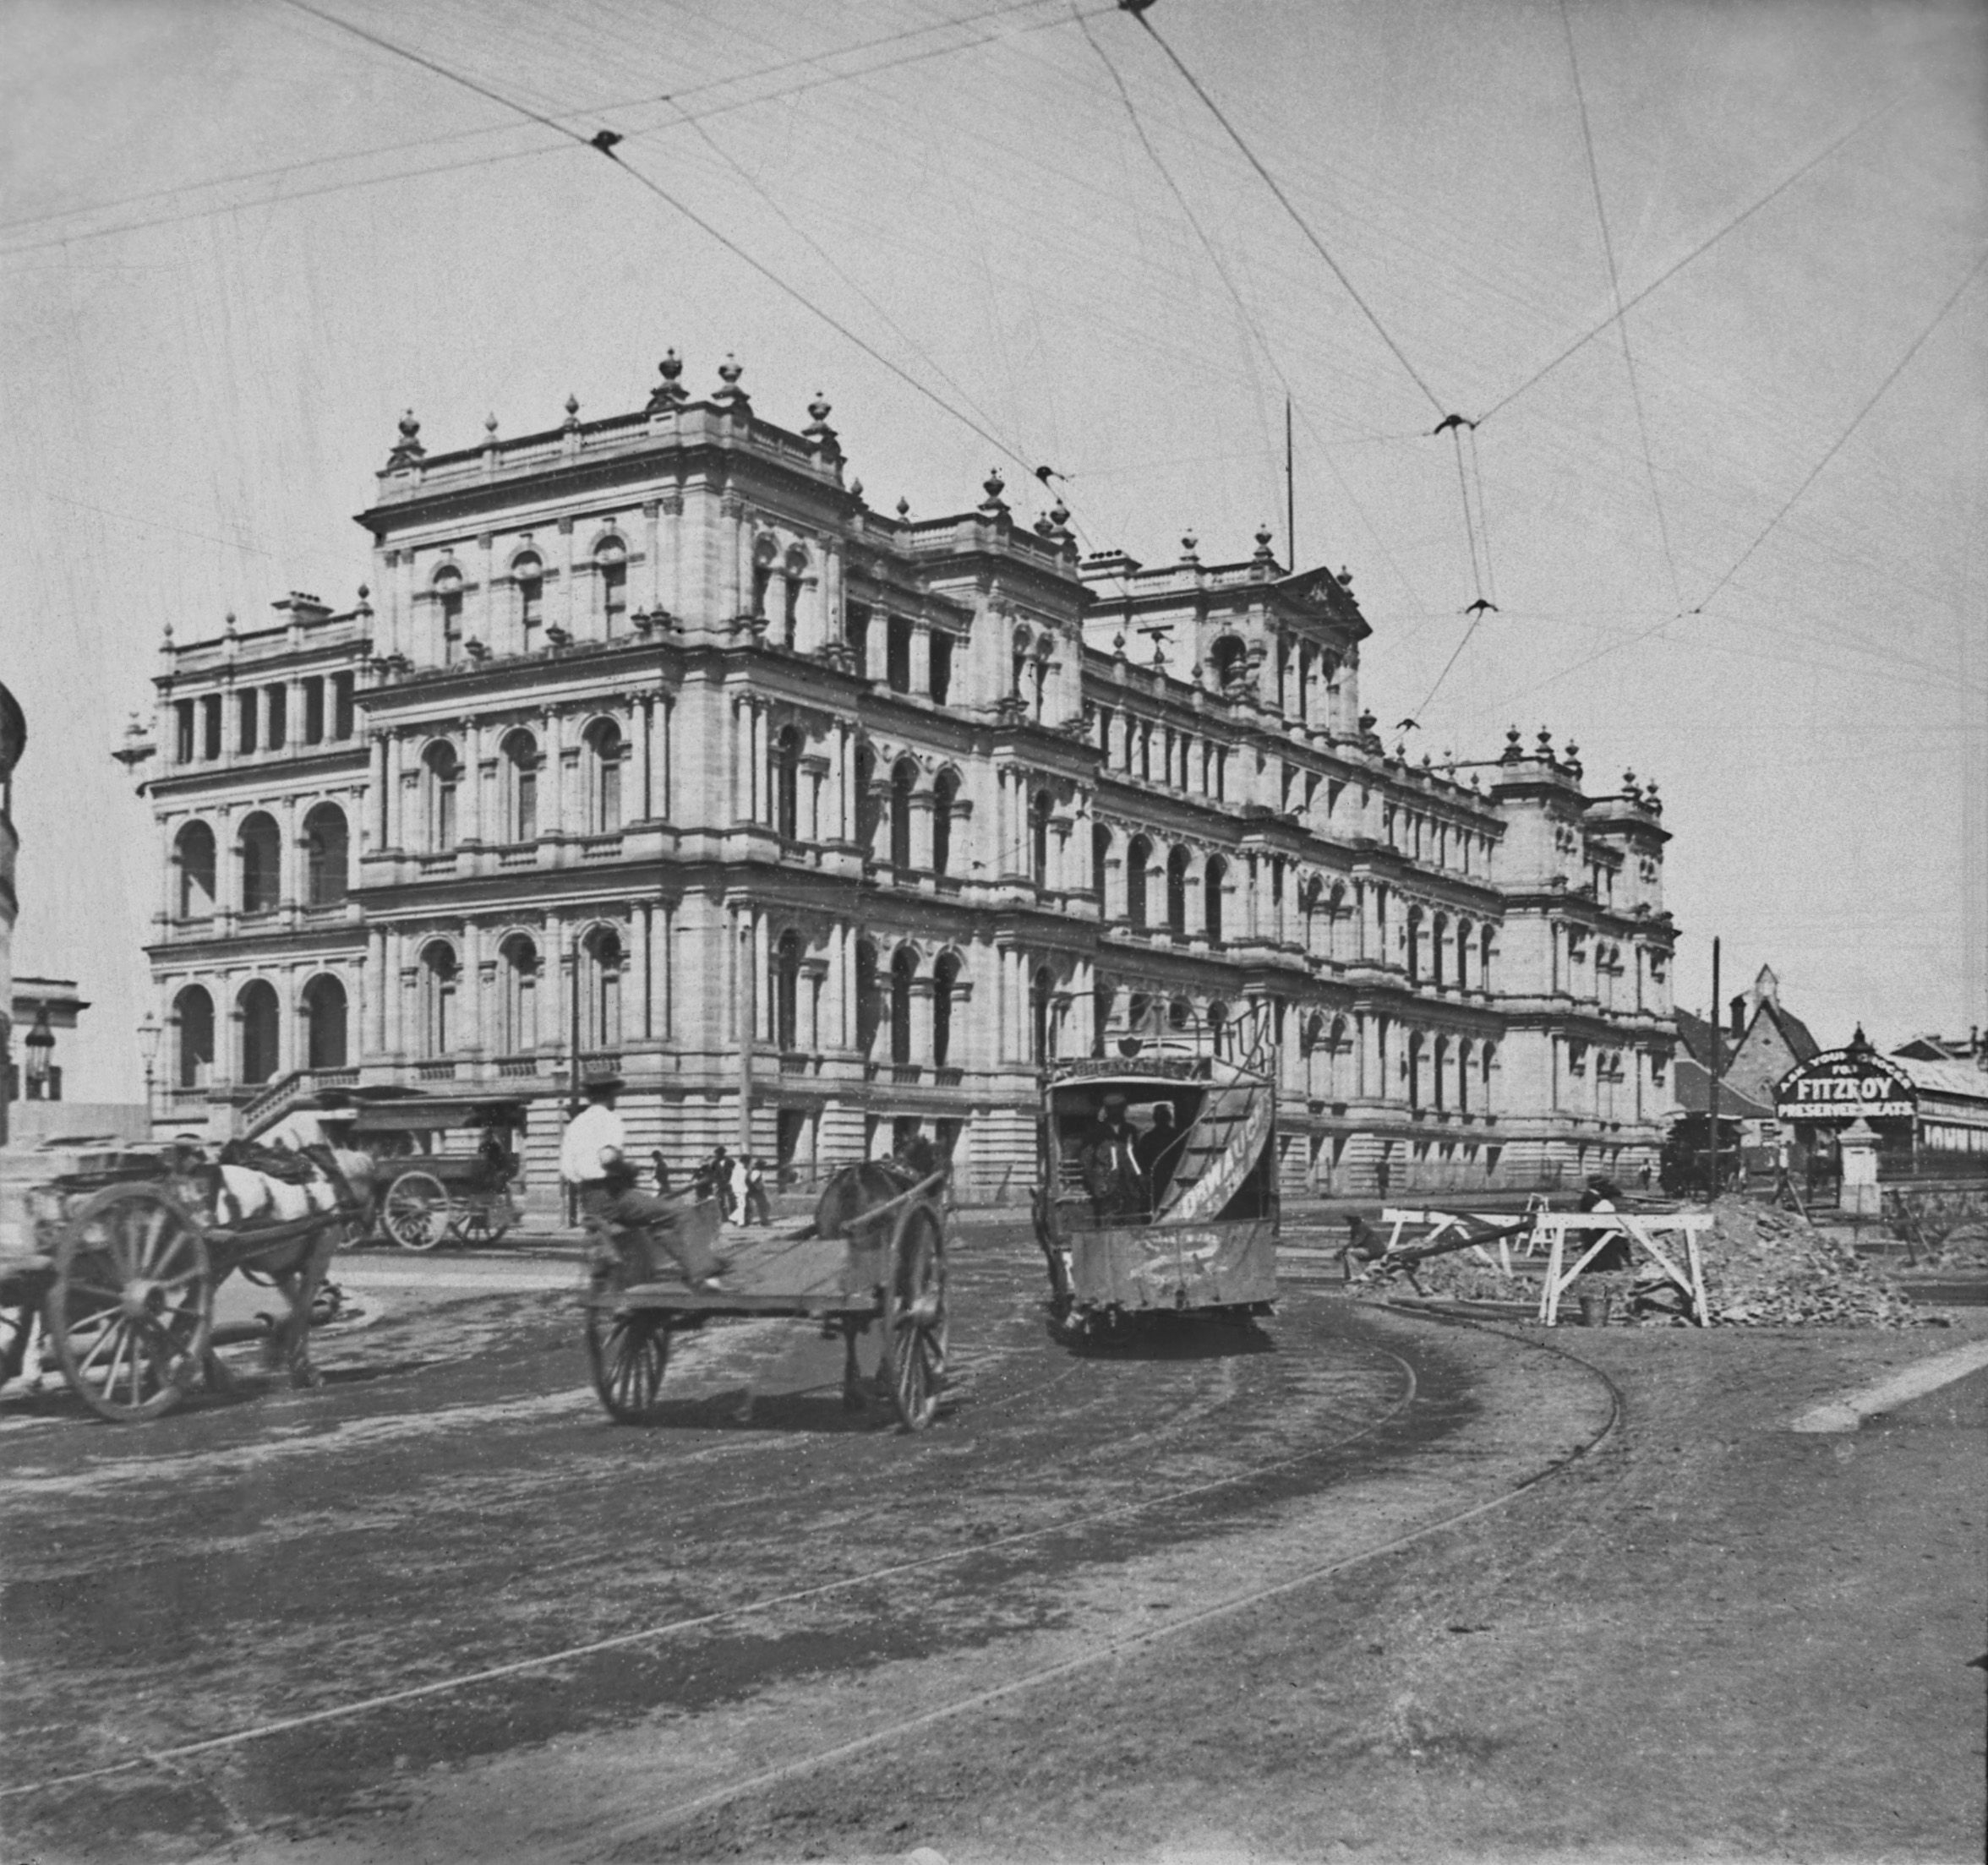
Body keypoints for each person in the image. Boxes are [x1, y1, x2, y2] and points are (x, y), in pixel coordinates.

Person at [560, 1079, 723, 1288]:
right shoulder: (609, 1119)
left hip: (588, 1199)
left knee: (658, 1223)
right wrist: (628, 1169)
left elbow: (568, 1170)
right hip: (614, 1196)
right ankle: (703, 1275)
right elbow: (608, 1158)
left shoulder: (575, 1124)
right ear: (611, 1096)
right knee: (681, 1213)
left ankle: (689, 1267)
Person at [1081, 1092, 1146, 1221]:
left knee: (1133, 1223)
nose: (1117, 1112)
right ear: (1107, 1111)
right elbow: (1086, 1160)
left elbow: (1138, 1156)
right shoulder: (1097, 1132)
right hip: (1107, 1189)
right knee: (1108, 1223)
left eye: (1120, 1108)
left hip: (1130, 1188)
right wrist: (1097, 1183)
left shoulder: (1130, 1130)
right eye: (1113, 1109)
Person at [1133, 1100, 1188, 1210]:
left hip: (1160, 1177)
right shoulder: (1177, 1136)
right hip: (1166, 1176)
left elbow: (1141, 1160)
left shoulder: (1148, 1138)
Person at [744, 1154, 773, 1225]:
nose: (763, 1167)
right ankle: (764, 1221)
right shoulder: (756, 1171)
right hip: (757, 1191)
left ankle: (749, 1221)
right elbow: (753, 1182)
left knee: (762, 1206)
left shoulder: (756, 1171)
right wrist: (757, 1188)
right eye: (762, 1165)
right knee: (764, 1206)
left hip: (755, 1191)